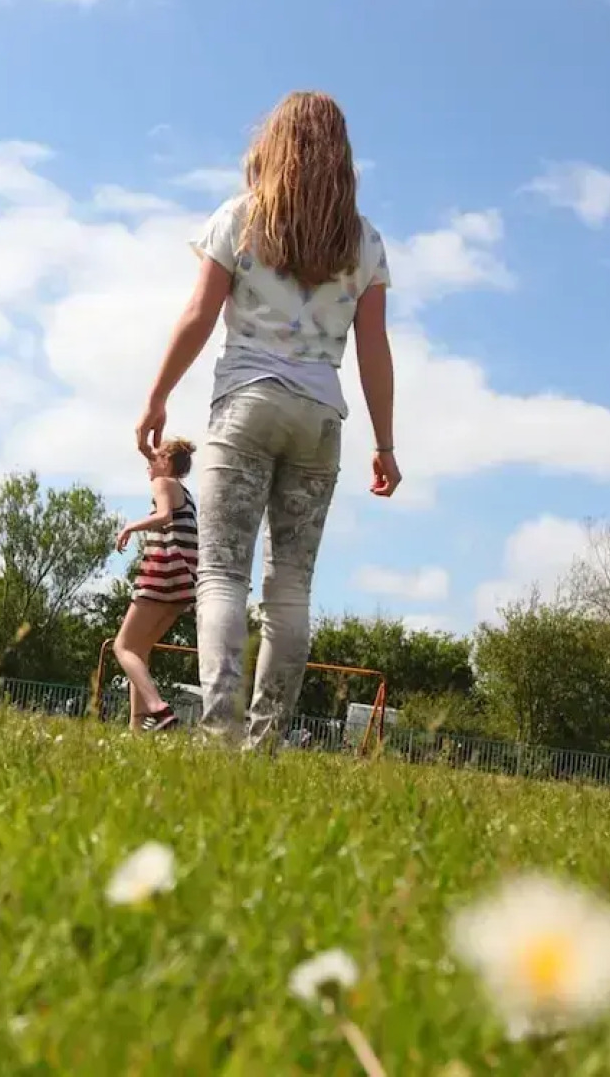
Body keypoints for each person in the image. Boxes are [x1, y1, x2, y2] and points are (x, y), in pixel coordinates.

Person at [134, 90, 401, 751]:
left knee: (223, 575)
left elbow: (199, 315)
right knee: (291, 590)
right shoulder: (363, 243)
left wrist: (157, 395)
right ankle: (264, 740)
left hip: (247, 407)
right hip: (319, 420)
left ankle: (220, 731)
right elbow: (374, 348)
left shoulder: (242, 219)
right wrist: (386, 444)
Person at [112, 437, 198, 733]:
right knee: (140, 649)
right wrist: (145, 446)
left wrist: (128, 527)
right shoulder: (183, 491)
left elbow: (163, 517)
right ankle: (136, 728)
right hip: (183, 583)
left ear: (166, 463)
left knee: (122, 646)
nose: (148, 466)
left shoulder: (163, 485)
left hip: (162, 576)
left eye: (154, 460)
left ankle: (158, 708)